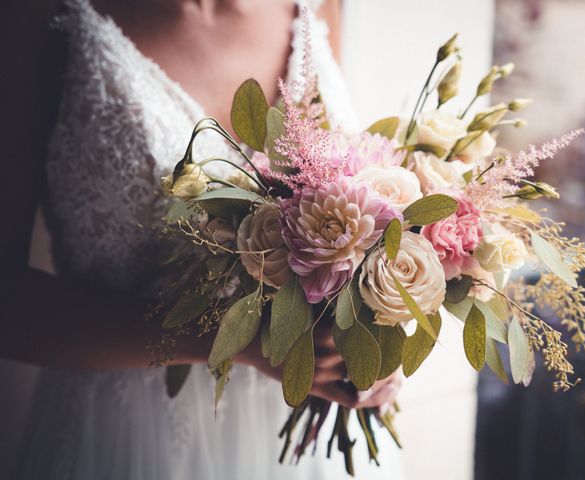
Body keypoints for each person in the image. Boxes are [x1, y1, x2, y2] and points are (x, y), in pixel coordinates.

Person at [0, 0, 404, 478]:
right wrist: (238, 341)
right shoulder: (39, 15)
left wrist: (371, 333)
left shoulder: (315, 6)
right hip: (128, 434)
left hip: (308, 440)